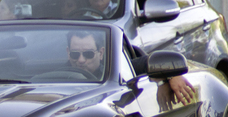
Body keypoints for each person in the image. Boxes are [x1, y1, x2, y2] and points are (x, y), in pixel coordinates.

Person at [66, 29, 196, 104]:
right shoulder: (50, 75)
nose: (81, 60)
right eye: (75, 54)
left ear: (101, 53)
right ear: (68, 53)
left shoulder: (119, 70)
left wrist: (171, 74)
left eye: (88, 54)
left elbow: (148, 63)